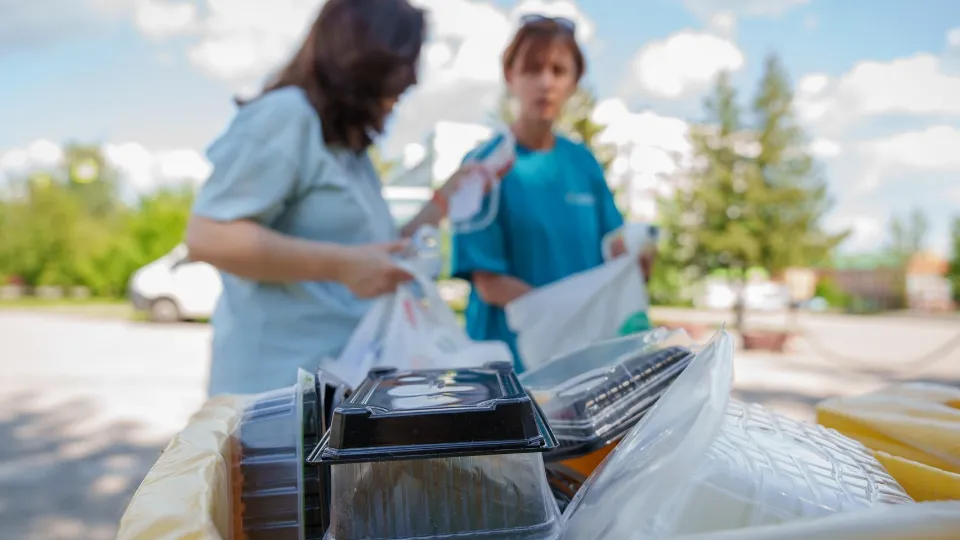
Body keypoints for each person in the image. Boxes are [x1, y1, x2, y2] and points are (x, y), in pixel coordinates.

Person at [186, 0, 485, 396]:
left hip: (340, 384)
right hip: (275, 394)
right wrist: (342, 266)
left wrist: (442, 203)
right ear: (362, 59)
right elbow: (208, 234)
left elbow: (370, 253)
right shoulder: (287, 115)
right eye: (402, 66)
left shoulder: (348, 149)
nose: (409, 82)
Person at [451, 15, 654, 373]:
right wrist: (568, 317)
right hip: (506, 372)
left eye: (559, 70)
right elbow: (488, 283)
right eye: (532, 69)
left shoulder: (584, 164)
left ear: (575, 82)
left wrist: (637, 261)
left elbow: (614, 250)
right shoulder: (483, 168)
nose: (545, 82)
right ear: (510, 76)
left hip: (578, 368)